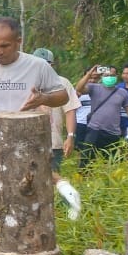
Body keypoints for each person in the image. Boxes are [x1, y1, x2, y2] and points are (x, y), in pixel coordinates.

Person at [0, 17, 68, 237]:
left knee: (27, 197)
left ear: (18, 41)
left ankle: (27, 241)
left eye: (5, 46)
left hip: (26, 144)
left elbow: (62, 95)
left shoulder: (37, 66)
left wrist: (42, 98)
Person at [32, 48, 82, 218]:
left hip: (53, 142)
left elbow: (70, 111)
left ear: (51, 65)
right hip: (28, 142)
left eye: (45, 64)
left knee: (49, 179)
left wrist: (70, 136)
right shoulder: (24, 83)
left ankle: (59, 211)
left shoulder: (62, 83)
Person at [74, 65, 128, 167]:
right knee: (86, 160)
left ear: (117, 76)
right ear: (102, 76)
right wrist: (89, 74)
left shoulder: (122, 93)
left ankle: (107, 181)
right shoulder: (94, 88)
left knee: (111, 163)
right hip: (94, 129)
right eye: (106, 75)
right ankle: (84, 179)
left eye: (112, 75)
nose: (109, 77)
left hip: (112, 132)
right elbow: (79, 88)